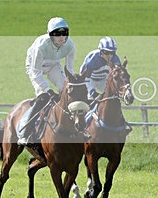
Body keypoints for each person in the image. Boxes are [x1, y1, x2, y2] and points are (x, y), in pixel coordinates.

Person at [16, 17, 76, 147]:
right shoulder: (41, 46)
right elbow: (36, 73)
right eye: (57, 34)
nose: (61, 37)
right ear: (50, 35)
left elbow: (70, 70)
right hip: (35, 67)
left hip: (53, 65)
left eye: (64, 33)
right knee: (43, 97)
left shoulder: (70, 45)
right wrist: (48, 91)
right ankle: (24, 134)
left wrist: (71, 85)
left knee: (66, 92)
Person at [80, 37, 121, 101]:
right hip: (90, 79)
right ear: (101, 51)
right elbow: (85, 78)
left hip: (103, 79)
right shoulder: (93, 59)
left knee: (112, 96)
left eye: (112, 52)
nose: (109, 55)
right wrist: (92, 91)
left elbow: (118, 76)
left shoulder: (115, 58)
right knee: (90, 97)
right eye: (106, 52)